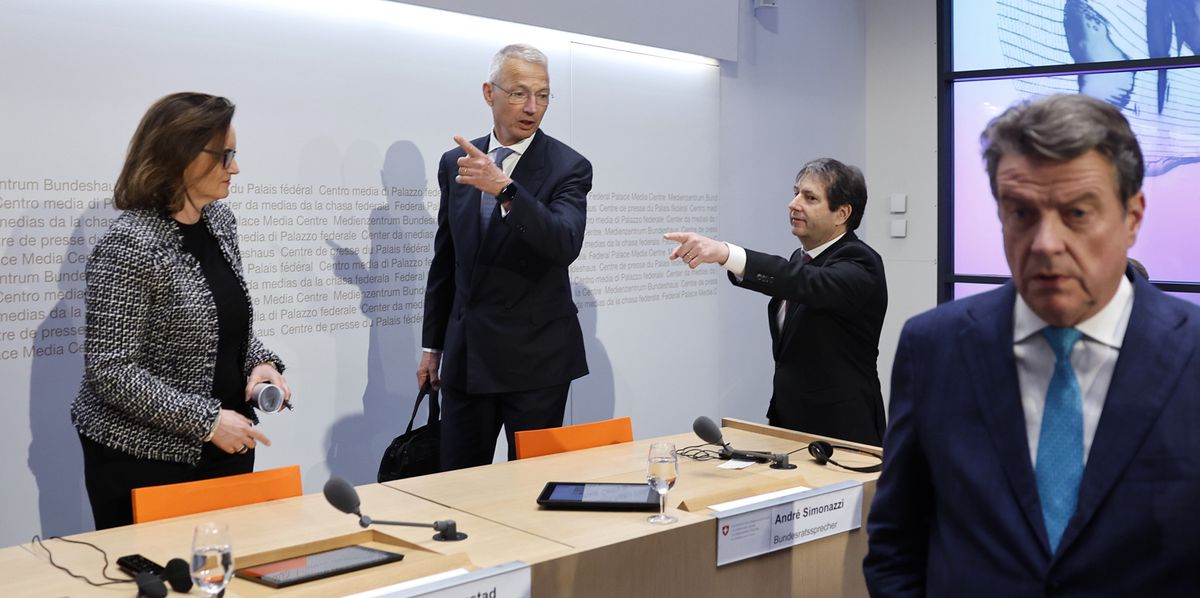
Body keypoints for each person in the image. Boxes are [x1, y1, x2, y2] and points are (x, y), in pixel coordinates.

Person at [864, 94, 1200, 594]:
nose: (1045, 242)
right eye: (1021, 213)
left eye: (1077, 213)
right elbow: (897, 541)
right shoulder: (934, 347)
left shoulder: (1191, 355)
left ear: (1133, 217)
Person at [71, 92, 291, 529]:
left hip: (224, 445)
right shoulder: (130, 245)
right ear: (182, 156)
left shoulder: (220, 224)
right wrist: (208, 422)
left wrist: (260, 363)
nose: (236, 168)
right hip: (145, 460)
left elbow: (224, 327)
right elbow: (111, 371)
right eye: (226, 156)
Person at [417, 44, 590, 470]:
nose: (533, 107)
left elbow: (564, 243)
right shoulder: (455, 162)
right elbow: (446, 260)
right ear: (488, 93)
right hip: (467, 358)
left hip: (536, 363)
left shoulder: (569, 166)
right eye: (518, 93)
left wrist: (507, 191)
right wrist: (432, 346)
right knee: (456, 485)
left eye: (543, 95)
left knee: (532, 488)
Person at [664, 158, 887, 445]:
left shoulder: (861, 261)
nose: (794, 204)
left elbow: (802, 282)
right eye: (795, 193)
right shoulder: (801, 259)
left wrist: (725, 253)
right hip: (789, 423)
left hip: (842, 431)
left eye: (810, 198)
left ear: (841, 213)